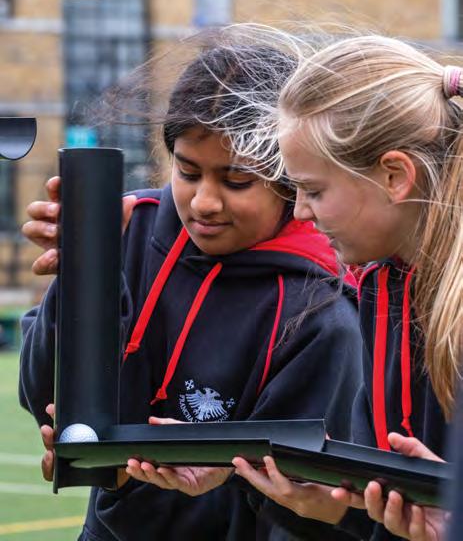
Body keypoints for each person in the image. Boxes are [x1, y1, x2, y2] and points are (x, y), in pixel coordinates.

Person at [19, 36, 362, 541]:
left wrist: (205, 470)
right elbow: (41, 392)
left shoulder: (321, 310)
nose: (203, 201)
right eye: (187, 171)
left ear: (288, 179)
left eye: (236, 180)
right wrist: (82, 276)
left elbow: (303, 500)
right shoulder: (126, 229)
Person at [232, 34, 462, 541]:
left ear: (395, 176)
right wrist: (334, 507)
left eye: (313, 190)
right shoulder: (382, 287)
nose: (300, 211)